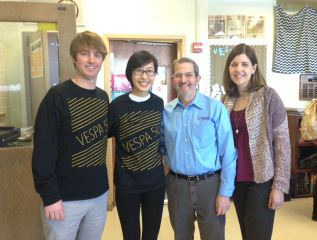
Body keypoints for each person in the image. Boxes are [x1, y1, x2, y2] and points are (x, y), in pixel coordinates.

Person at [32, 31, 109, 240]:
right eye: (85, 53)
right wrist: (50, 197)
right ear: (74, 57)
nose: (91, 60)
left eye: (97, 55)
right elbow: (43, 151)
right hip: (64, 200)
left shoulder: (103, 98)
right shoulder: (57, 97)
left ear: (102, 60)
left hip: (99, 196)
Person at [161, 57, 237, 240]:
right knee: (181, 236)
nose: (183, 79)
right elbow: (162, 148)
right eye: (178, 75)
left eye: (188, 74)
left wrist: (225, 193)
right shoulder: (166, 112)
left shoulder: (215, 109)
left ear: (198, 78)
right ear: (173, 79)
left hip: (209, 185)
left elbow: (228, 152)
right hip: (177, 186)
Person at [222, 43, 291, 239]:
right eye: (234, 64)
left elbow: (283, 145)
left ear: (254, 68)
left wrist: (279, 187)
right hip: (236, 180)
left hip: (261, 180)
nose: (239, 69)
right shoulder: (226, 99)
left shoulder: (269, 96)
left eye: (244, 64)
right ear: (229, 69)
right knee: (247, 234)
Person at [108, 50, 165, 240]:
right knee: (130, 236)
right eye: (139, 71)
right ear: (130, 74)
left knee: (151, 236)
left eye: (150, 71)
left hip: (155, 184)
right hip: (127, 184)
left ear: (155, 75)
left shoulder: (159, 103)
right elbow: (105, 136)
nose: (144, 76)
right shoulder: (117, 106)